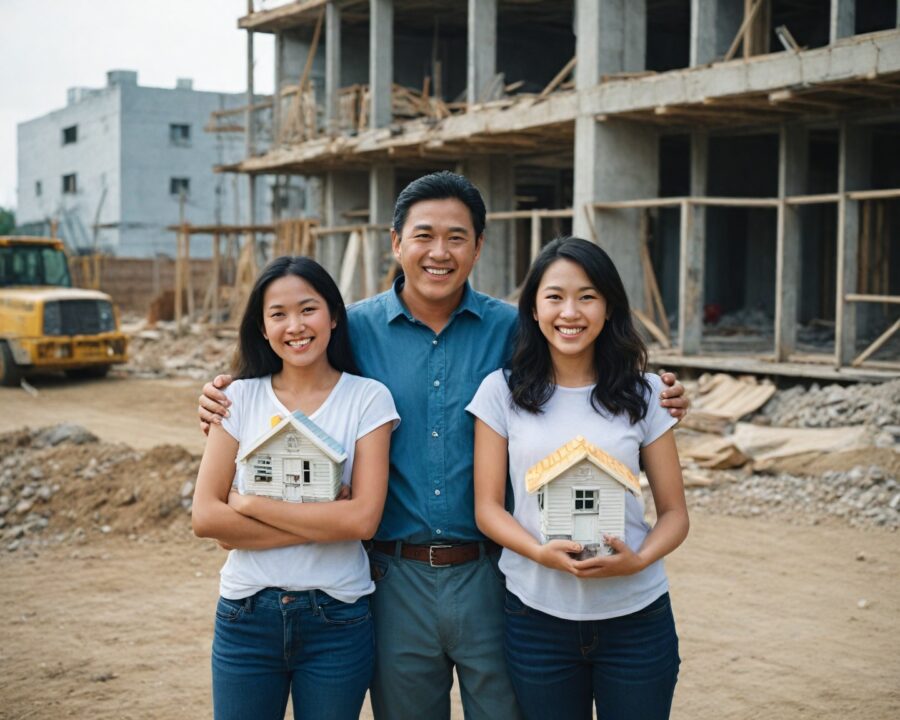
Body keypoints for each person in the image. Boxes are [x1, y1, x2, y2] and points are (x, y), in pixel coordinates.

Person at [198, 172, 689, 720]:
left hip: (492, 574)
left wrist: (658, 391)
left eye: (457, 237)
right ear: (396, 243)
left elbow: (583, 365)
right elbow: (286, 370)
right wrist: (220, 395)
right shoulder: (352, 330)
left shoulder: (516, 329)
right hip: (393, 578)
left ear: (479, 246)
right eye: (424, 235)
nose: (439, 252)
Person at [467, 236, 688, 720]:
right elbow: (487, 507)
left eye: (587, 296)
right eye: (555, 297)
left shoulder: (646, 394)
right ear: (533, 308)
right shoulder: (500, 392)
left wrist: (639, 559)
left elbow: (674, 513)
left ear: (609, 308)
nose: (571, 312)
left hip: (636, 618)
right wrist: (539, 553)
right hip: (536, 618)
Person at [191, 256, 399, 720]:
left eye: (308, 309)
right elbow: (206, 518)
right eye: (278, 314)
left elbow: (363, 519)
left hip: (338, 619)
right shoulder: (238, 398)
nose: (295, 326)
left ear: (333, 316)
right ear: (262, 328)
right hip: (246, 616)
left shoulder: (368, 399)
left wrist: (246, 507)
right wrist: (327, 522)